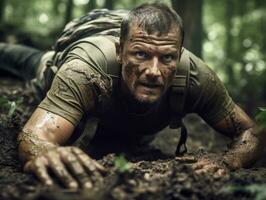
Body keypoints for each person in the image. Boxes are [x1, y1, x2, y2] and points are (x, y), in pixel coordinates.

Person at [0, 3, 264, 189]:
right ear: (120, 51)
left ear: (180, 54)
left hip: (123, 119)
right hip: (67, 69)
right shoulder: (85, 69)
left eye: (168, 58)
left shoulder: (196, 76)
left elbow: (250, 131)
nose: (154, 71)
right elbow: (35, 135)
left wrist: (229, 160)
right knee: (28, 62)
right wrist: (44, 152)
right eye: (140, 54)